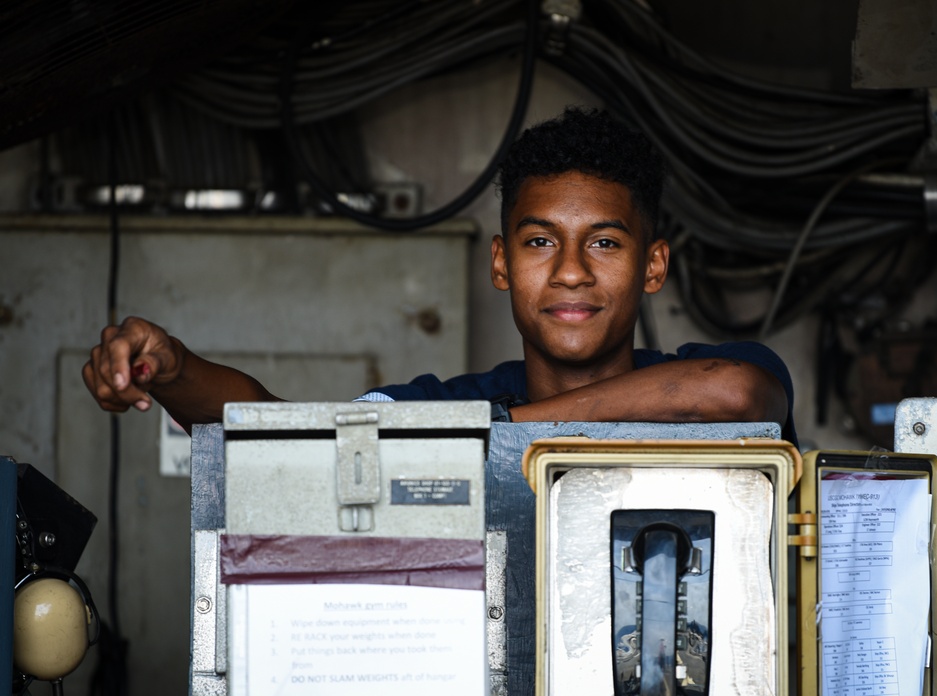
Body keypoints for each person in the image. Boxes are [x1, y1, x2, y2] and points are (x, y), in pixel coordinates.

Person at [82, 107, 795, 444]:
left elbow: (733, 396)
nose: (571, 272)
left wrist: (496, 434)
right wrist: (170, 368)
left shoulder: (709, 374)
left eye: (605, 242)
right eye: (541, 241)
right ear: (500, 263)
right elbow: (283, 435)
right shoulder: (442, 407)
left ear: (653, 266)